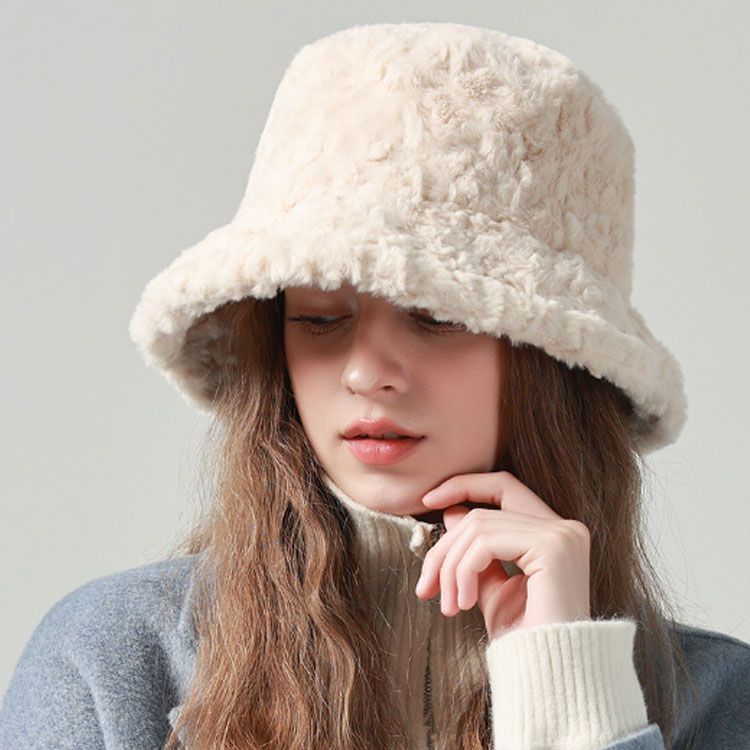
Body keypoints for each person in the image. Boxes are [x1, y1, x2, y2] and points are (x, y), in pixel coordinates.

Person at [1, 21, 748, 750]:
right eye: (319, 320)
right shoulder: (110, 663)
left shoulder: (720, 700)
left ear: (550, 359)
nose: (365, 373)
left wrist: (569, 694)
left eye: (436, 317)